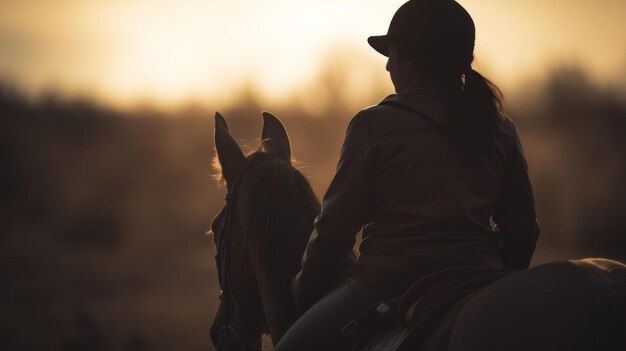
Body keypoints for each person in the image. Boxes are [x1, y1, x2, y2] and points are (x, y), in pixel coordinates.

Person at [274, 0, 540, 349]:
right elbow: (523, 230)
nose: (387, 65)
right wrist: (494, 279)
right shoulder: (501, 129)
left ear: (411, 63)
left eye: (392, 54)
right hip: (481, 277)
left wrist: (303, 288)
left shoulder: (372, 125)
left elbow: (334, 233)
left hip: (385, 282)